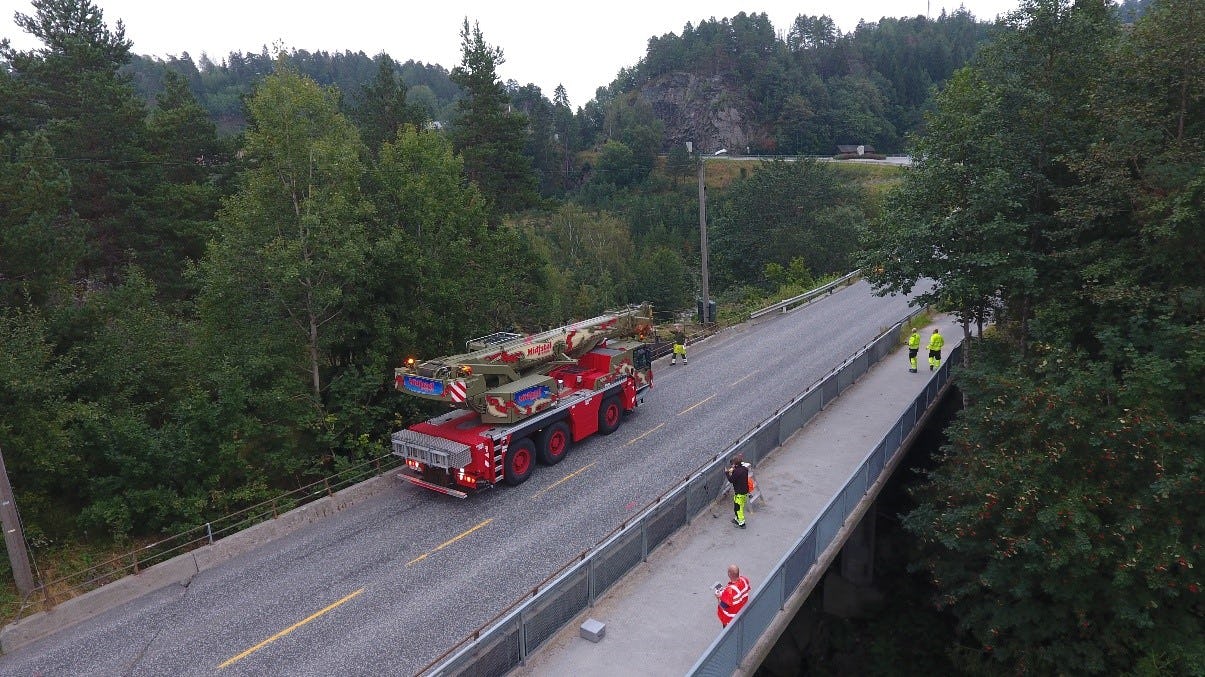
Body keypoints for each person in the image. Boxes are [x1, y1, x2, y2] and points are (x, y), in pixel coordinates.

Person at [725, 454, 749, 528]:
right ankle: (737, 519)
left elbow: (731, 480)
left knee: (738, 508)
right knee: (740, 505)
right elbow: (739, 473)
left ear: (734, 464)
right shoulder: (744, 469)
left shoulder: (736, 472)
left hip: (739, 492)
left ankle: (741, 523)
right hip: (744, 491)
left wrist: (727, 473)